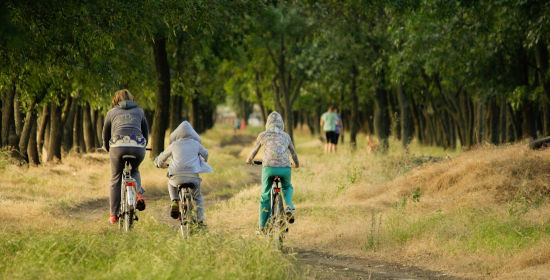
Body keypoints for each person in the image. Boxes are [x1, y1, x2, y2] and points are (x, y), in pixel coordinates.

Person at [246, 111, 299, 232]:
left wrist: (249, 160)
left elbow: (253, 151)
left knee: (265, 195)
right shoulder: (286, 136)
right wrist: (296, 164)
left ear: (267, 123)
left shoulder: (263, 135)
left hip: (268, 168)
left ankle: (262, 226)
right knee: (287, 187)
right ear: (282, 124)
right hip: (285, 168)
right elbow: (294, 153)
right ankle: (289, 207)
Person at [102, 89, 148, 224]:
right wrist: (143, 145)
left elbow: (105, 134)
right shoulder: (140, 111)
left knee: (116, 178)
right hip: (137, 146)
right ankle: (139, 194)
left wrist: (106, 146)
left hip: (117, 146)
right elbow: (145, 132)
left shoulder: (111, 113)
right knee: (134, 170)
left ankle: (113, 214)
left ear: (116, 100)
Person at [154, 121, 213, 224]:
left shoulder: (174, 144)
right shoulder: (196, 144)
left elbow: (161, 159)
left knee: (171, 184)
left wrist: (160, 164)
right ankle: (200, 220)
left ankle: (174, 201)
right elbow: (206, 154)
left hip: (177, 177)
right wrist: (201, 162)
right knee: (198, 197)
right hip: (193, 176)